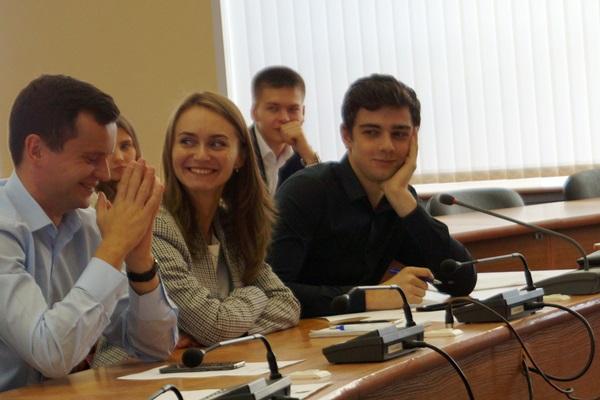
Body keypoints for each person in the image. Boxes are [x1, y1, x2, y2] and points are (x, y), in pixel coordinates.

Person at [0, 75, 178, 392]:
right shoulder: (5, 226)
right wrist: (115, 246)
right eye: (91, 159)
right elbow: (50, 353)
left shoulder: (88, 224)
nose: (105, 173)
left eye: (106, 158)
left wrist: (139, 261)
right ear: (36, 150)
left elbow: (156, 347)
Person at [268, 74, 477, 318]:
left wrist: (402, 198)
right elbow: (271, 296)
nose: (386, 146)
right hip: (296, 336)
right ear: (347, 136)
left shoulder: (398, 198)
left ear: (414, 138)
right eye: (371, 132)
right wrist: (369, 296)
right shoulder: (306, 191)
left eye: (399, 134)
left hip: (366, 332)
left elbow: (461, 280)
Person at [155, 91, 300, 345]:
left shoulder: (231, 226)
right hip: (130, 370)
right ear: (170, 150)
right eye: (187, 141)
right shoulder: (156, 225)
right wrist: (255, 296)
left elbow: (288, 305)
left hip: (210, 363)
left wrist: (226, 329)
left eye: (217, 144)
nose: (201, 155)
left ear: (240, 156)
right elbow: (214, 326)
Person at [250, 66, 320, 194]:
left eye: (293, 109)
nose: (284, 118)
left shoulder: (302, 155)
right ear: (255, 112)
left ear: (303, 113)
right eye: (273, 109)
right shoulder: (237, 151)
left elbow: (327, 199)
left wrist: (308, 154)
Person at [96, 115, 142, 201]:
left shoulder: (156, 192)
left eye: (125, 146)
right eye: (108, 149)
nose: (119, 158)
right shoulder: (86, 202)